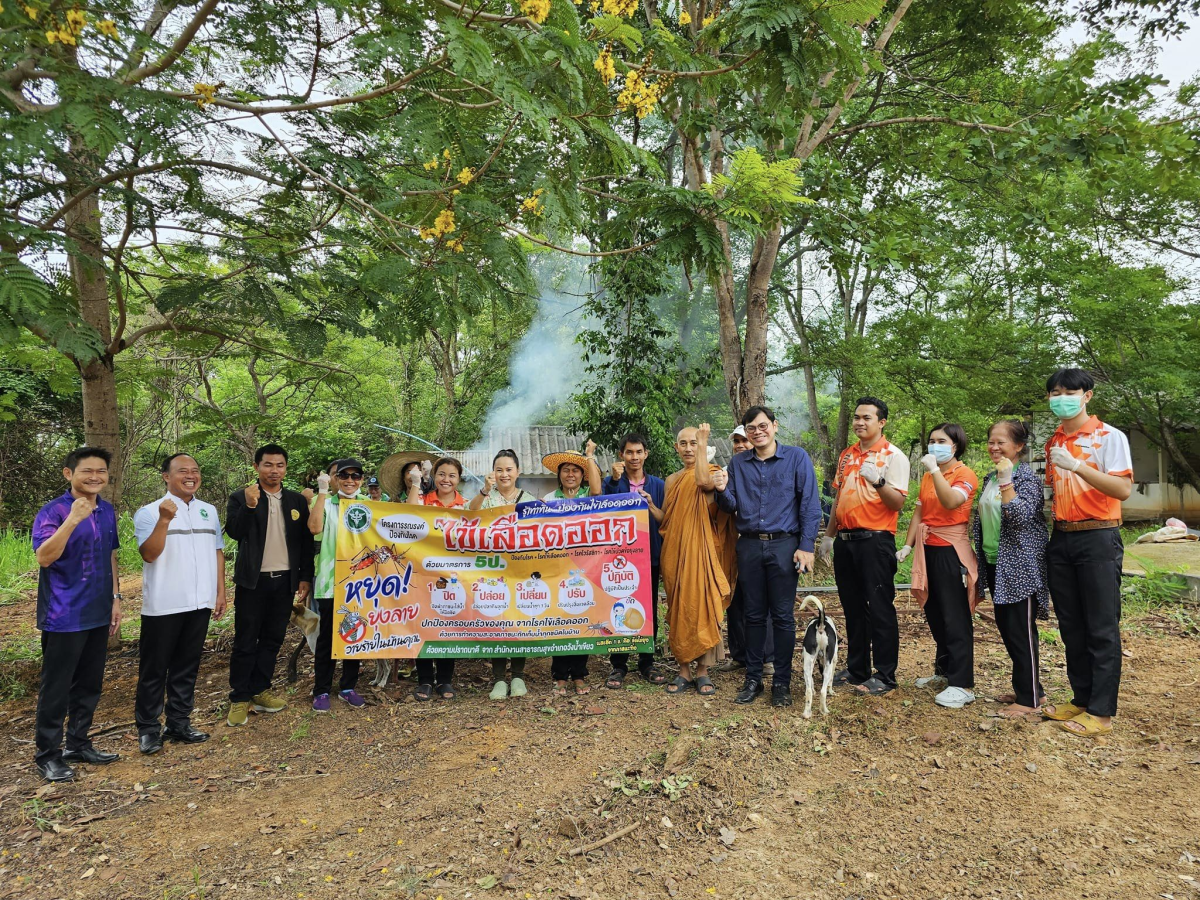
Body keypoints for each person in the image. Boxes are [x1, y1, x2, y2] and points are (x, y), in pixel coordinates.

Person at [1041, 368, 1133, 738]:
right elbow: (1052, 492)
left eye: (1068, 391)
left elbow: (1123, 489)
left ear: (1087, 395)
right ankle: (1081, 699)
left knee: (1100, 626)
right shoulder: (1053, 443)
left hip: (1099, 537)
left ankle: (1101, 712)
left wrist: (1078, 466)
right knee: (1071, 625)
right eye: (1054, 392)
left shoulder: (1109, 437)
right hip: (1062, 538)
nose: (1060, 397)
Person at [714, 406, 822, 707]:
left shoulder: (796, 458)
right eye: (751, 428)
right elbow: (729, 505)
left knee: (783, 617)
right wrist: (722, 490)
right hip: (748, 545)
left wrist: (807, 545)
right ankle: (753, 680)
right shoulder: (737, 464)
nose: (757, 431)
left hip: (784, 545)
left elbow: (810, 505)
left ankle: (782, 683)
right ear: (746, 432)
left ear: (774, 427)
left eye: (763, 426)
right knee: (753, 615)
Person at [31, 447, 123, 782]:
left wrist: (115, 598)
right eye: (87, 471)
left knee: (90, 684)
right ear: (69, 474)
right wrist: (72, 519)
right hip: (64, 614)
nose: (95, 477)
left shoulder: (108, 510)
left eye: (101, 471)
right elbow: (44, 557)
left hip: (98, 611)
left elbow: (111, 555)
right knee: (56, 687)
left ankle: (79, 743)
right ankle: (48, 755)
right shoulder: (53, 511)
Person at [132, 454, 226, 755]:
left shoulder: (208, 511)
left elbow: (218, 552)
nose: (190, 476)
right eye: (182, 471)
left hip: (199, 602)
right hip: (164, 604)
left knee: (187, 666)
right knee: (154, 669)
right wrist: (164, 519)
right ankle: (148, 729)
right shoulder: (148, 513)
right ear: (166, 477)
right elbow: (149, 554)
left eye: (195, 471)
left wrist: (220, 592)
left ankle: (179, 722)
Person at [817, 397, 910, 696]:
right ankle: (857, 668)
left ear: (881, 422)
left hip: (876, 540)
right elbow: (839, 499)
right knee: (853, 608)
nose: (859, 422)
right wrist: (829, 535)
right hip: (846, 542)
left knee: (880, 608)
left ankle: (885, 675)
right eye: (856, 417)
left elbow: (898, 503)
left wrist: (879, 481)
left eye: (866, 418)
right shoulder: (846, 455)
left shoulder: (894, 456)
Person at [224, 444, 313, 726]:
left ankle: (261, 690)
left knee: (273, 639)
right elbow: (236, 533)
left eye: (279, 466)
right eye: (268, 465)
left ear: (286, 468)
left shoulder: (297, 501)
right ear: (256, 467)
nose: (274, 471)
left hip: (284, 582)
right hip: (253, 582)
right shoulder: (241, 497)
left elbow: (305, 543)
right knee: (246, 639)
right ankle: (239, 697)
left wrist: (304, 578)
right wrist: (251, 506)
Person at [898, 424, 979, 709]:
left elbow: (950, 501)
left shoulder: (963, 474)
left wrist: (934, 470)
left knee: (955, 615)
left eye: (941, 441)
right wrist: (908, 546)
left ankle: (962, 683)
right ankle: (944, 673)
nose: (934, 445)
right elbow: (920, 512)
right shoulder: (930, 476)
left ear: (955, 445)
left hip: (950, 550)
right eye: (931, 441)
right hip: (927, 547)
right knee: (934, 611)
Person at [972, 420, 1049, 719]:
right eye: (991, 441)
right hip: (996, 562)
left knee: (1021, 632)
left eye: (1001, 442)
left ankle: (1030, 700)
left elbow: (1018, 517)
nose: (994, 447)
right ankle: (1030, 689)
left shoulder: (1026, 478)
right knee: (1008, 629)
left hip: (1020, 565)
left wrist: (1007, 481)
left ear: (1018, 446)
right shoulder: (990, 477)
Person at [657, 424, 732, 696]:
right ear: (676, 448)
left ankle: (703, 671)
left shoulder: (713, 472)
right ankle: (683, 671)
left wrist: (703, 444)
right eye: (684, 444)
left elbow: (702, 482)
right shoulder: (671, 480)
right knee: (680, 609)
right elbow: (666, 519)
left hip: (701, 552)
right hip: (674, 554)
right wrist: (649, 505)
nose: (689, 448)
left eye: (693, 443)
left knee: (702, 605)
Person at [469, 450, 538, 700]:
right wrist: (484, 491)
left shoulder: (529, 499)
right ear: (492, 473)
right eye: (499, 469)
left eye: (509, 469)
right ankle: (499, 679)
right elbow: (468, 515)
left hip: (521, 570)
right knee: (496, 621)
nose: (504, 474)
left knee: (519, 621)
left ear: (518, 472)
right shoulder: (486, 498)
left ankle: (518, 675)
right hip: (493, 570)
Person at [602, 433, 667, 688]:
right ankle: (618, 665)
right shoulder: (612, 482)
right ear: (621, 456)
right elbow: (604, 510)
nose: (634, 457)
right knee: (618, 607)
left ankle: (646, 662)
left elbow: (665, 520)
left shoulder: (658, 485)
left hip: (649, 557)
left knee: (649, 609)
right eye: (629, 452)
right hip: (619, 560)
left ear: (646, 454)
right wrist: (616, 481)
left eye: (639, 452)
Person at [539, 443, 603, 695]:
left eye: (576, 471)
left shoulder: (589, 496)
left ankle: (579, 674)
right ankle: (559, 675)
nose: (570, 475)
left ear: (583, 474)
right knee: (561, 620)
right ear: (559, 474)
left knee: (582, 617)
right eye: (566, 470)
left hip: (585, 568)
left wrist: (589, 457)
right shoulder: (548, 500)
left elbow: (598, 492)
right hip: (557, 569)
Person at [307, 459, 367, 713]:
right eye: (344, 476)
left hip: (362, 583)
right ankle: (321, 689)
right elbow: (314, 527)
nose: (350, 480)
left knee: (355, 634)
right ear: (335, 478)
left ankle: (347, 686)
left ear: (362, 479)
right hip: (331, 581)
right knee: (328, 638)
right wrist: (321, 493)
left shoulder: (369, 505)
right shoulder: (325, 503)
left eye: (356, 476)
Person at [720, 424, 774, 673]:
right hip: (735, 544)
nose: (741, 445)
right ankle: (739, 654)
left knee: (763, 601)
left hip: (761, 542)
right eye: (737, 442)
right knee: (735, 599)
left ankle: (767, 657)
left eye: (745, 441)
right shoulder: (728, 471)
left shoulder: (767, 470)